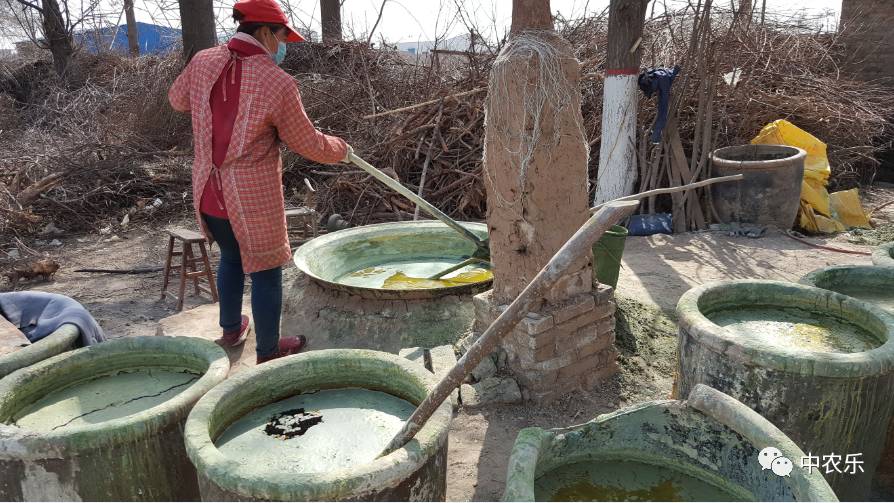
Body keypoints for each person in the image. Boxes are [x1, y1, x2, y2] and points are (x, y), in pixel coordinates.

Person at [168, 0, 351, 364]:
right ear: (266, 31)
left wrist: (209, 107)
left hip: (208, 189)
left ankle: (232, 328)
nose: (282, 46)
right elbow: (308, 143)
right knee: (267, 271)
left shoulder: (204, 60)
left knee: (231, 257)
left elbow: (177, 100)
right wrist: (341, 149)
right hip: (251, 196)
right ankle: (267, 353)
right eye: (282, 37)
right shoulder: (276, 81)